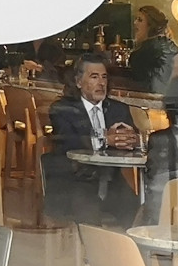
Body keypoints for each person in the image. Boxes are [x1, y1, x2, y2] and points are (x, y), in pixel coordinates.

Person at [40, 54, 142, 230]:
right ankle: (91, 249)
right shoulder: (63, 109)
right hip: (74, 182)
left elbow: (133, 141)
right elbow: (70, 142)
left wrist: (132, 140)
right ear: (78, 82)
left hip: (111, 182)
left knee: (140, 214)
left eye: (104, 77)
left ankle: (127, 248)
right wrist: (105, 139)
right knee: (89, 218)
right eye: (94, 77)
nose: (101, 83)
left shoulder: (119, 109)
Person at [125, 5, 178, 100]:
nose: (135, 23)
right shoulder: (170, 45)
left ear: (150, 26)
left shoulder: (141, 53)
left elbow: (140, 84)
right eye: (136, 19)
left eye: (140, 20)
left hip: (151, 100)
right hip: (174, 98)